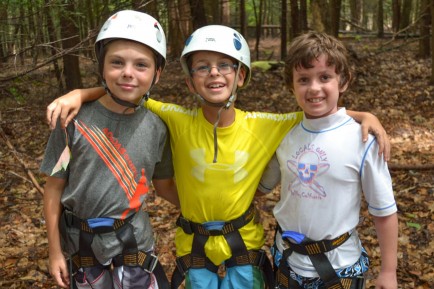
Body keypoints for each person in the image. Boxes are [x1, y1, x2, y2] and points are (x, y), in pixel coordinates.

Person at [45, 26, 390, 289]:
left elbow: (319, 113)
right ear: (191, 82)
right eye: (203, 68)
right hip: (194, 251)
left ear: (240, 76)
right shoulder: (175, 118)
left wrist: (363, 116)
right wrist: (80, 92)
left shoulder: (266, 125)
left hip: (245, 248)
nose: (214, 73)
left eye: (225, 66)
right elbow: (129, 93)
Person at [40, 10, 178, 289]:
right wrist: (54, 252)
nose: (128, 73)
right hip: (83, 249)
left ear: (157, 74)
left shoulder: (157, 128)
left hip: (135, 245)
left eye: (141, 65)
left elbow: (164, 186)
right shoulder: (71, 122)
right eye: (117, 63)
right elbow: (53, 188)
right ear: (102, 68)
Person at [257, 32, 398, 289]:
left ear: (343, 81)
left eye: (325, 77)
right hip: (286, 261)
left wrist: (389, 271)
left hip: (339, 267)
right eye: (303, 79)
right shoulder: (283, 133)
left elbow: (384, 210)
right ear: (291, 85)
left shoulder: (362, 139)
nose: (314, 88)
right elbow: (260, 187)